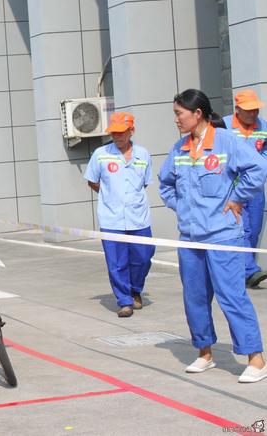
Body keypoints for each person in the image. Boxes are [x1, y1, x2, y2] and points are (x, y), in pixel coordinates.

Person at [159, 88, 267, 383]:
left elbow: (258, 169)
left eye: (179, 114)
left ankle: (256, 359)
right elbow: (165, 183)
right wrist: (180, 206)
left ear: (197, 114)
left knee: (231, 295)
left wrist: (238, 199)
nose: (176, 120)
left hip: (222, 236)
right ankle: (205, 353)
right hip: (190, 238)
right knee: (195, 296)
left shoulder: (226, 142)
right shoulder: (179, 148)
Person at [85, 112, 155, 318]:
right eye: (114, 133)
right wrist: (109, 195)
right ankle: (125, 300)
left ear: (131, 131)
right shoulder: (101, 154)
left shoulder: (143, 154)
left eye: (121, 133)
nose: (117, 137)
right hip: (111, 217)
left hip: (138, 216)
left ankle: (135, 290)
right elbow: (92, 180)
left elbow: (144, 182)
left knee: (144, 256)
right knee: (116, 262)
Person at [223, 89, 267, 288]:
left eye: (256, 110)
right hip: (234, 188)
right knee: (243, 229)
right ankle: (250, 271)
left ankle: (245, 271)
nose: (253, 114)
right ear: (237, 110)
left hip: (256, 189)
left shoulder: (263, 126)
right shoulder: (223, 126)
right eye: (249, 110)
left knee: (255, 229)